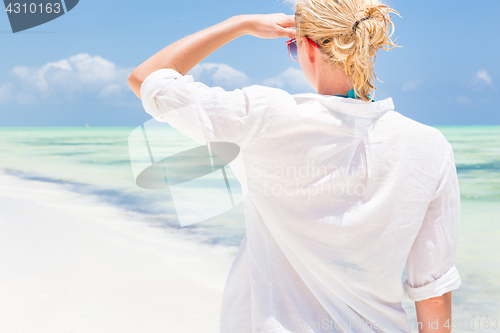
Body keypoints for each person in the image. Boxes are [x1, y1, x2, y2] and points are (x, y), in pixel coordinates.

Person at [128, 0, 461, 332]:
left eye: (294, 46)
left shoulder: (264, 119)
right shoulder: (429, 145)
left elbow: (147, 79)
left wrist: (240, 24)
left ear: (309, 49)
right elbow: (432, 294)